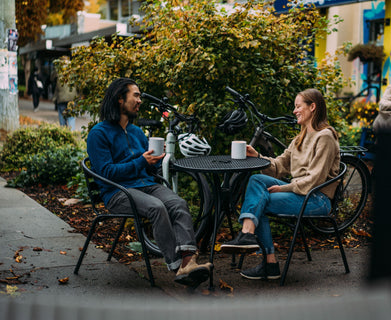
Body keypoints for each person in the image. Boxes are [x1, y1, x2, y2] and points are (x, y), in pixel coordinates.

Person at [87, 78, 212, 287]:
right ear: (120, 99)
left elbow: (148, 167)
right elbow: (107, 173)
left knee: (178, 204)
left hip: (145, 185)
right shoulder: (98, 133)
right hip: (118, 192)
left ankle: (188, 262)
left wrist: (158, 161)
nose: (139, 100)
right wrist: (141, 161)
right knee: (157, 208)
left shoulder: (136, 132)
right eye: (135, 95)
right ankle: (176, 265)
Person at [220, 88, 340, 280]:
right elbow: (279, 166)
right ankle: (248, 235)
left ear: (312, 107)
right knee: (256, 180)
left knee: (262, 202)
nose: (294, 111)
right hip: (300, 193)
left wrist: (284, 188)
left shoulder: (324, 137)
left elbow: (314, 179)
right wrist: (257, 156)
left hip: (317, 198)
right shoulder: (300, 138)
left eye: (298, 106)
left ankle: (269, 263)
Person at [52, 56, 77, 130]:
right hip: (72, 99)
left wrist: (54, 98)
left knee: (62, 119)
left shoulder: (58, 73)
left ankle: (64, 134)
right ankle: (72, 134)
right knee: (71, 118)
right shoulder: (73, 72)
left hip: (61, 99)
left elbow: (52, 79)